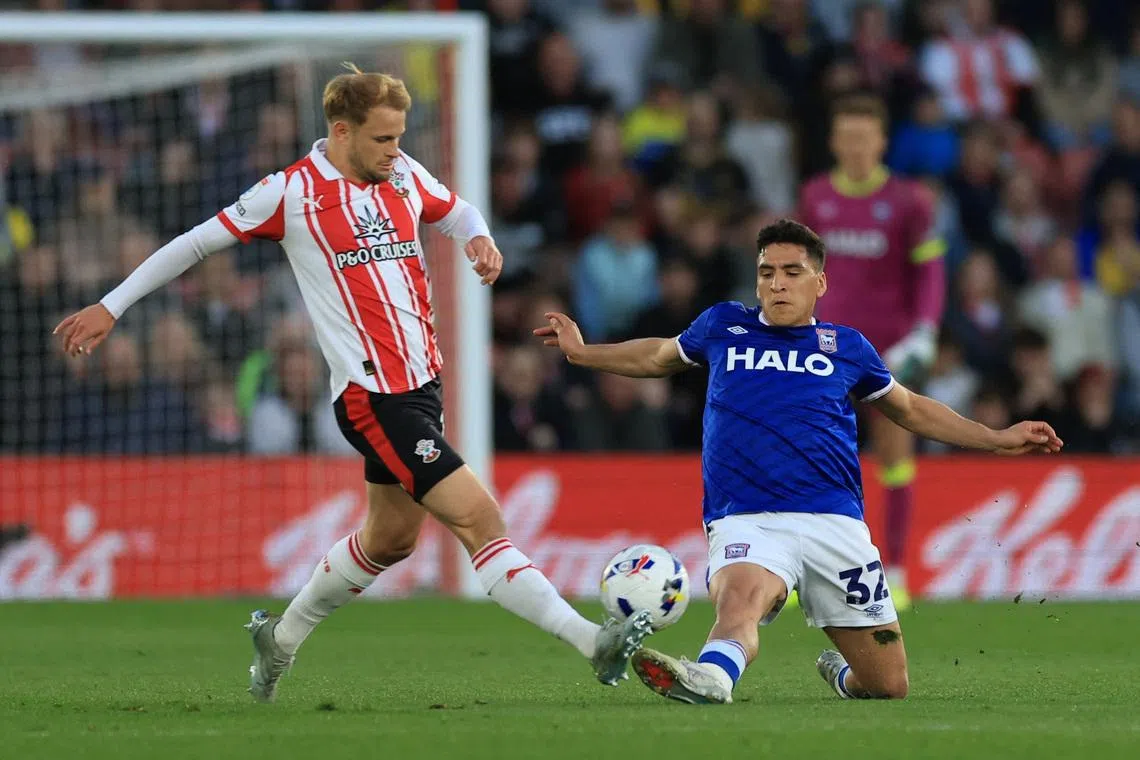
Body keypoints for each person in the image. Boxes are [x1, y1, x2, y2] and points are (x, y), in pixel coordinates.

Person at [53, 64, 653, 702]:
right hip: (373, 399)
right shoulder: (289, 193)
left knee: (391, 539)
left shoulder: (401, 173)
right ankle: (594, 641)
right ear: (341, 132)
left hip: (423, 387)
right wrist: (111, 306)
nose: (396, 152)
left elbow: (457, 210)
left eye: (399, 138)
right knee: (480, 519)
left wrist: (480, 239)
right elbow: (192, 244)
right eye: (383, 139)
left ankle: (278, 639)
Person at [535, 219, 1062, 704]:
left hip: (836, 521)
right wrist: (583, 353)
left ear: (820, 283)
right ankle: (712, 677)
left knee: (888, 685)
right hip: (748, 515)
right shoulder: (724, 327)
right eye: (767, 273)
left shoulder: (847, 348)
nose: (777, 284)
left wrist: (995, 438)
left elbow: (910, 409)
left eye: (792, 272)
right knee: (742, 599)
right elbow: (656, 356)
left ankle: (841, 674)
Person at [797, 94, 948, 608]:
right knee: (806, 457)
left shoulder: (909, 201)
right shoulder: (815, 197)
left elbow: (929, 270)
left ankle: (898, 570)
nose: (857, 148)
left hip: (888, 350)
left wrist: (925, 329)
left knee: (895, 456)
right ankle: (799, 572)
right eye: (848, 137)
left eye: (866, 138)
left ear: (882, 142)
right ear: (835, 141)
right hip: (823, 347)